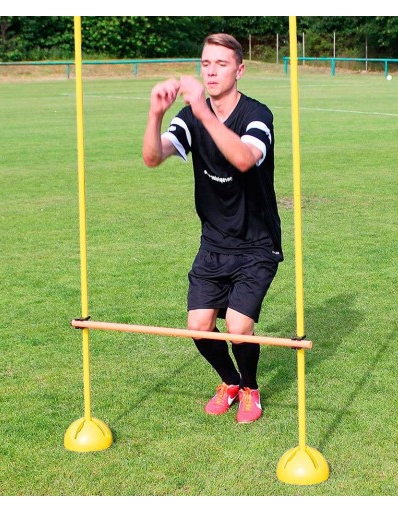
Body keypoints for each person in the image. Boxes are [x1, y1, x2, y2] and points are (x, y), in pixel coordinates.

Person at [142, 33, 283, 424]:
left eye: (221, 64)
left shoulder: (257, 115)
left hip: (256, 243)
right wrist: (155, 114)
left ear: (240, 70)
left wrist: (203, 111)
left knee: (237, 327)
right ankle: (230, 381)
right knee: (199, 326)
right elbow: (153, 157)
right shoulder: (190, 118)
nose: (211, 71)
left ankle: (251, 389)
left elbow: (244, 158)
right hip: (214, 242)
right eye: (206, 64)